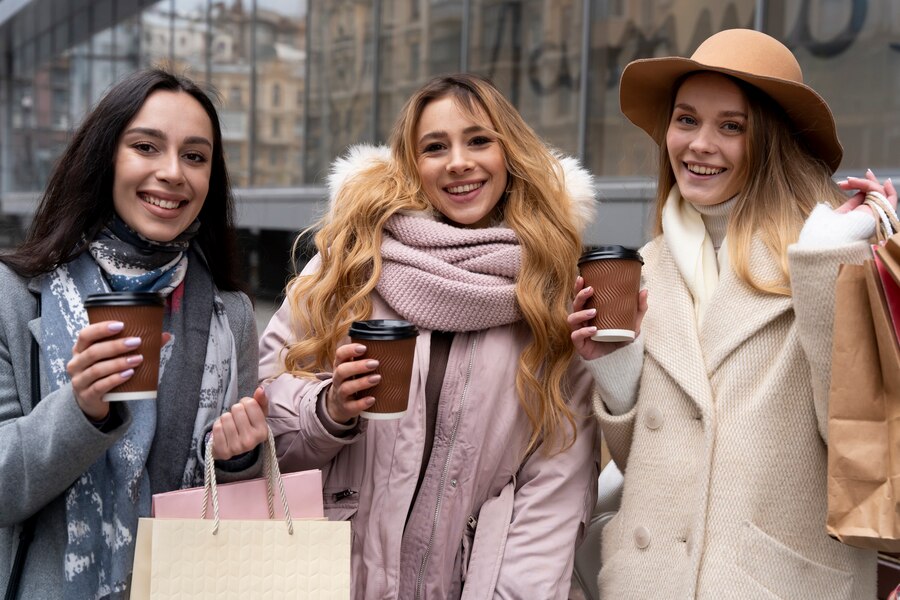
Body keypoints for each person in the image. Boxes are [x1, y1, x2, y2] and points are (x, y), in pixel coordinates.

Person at [568, 29, 896, 598]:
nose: (698, 145)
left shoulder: (827, 257)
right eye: (686, 120)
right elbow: (655, 467)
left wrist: (827, 264)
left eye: (731, 126)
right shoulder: (642, 268)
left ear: (770, 140)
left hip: (776, 581)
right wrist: (616, 371)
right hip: (649, 583)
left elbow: (855, 439)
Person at [259, 73, 599, 598]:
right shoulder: (348, 263)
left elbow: (555, 486)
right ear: (411, 165)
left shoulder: (550, 289)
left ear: (509, 155)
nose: (458, 161)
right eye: (435, 146)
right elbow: (265, 412)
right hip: (327, 577)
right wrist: (328, 411)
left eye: (479, 140)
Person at [0, 68, 269, 599]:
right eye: (146, 147)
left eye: (195, 156)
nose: (172, 173)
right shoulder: (13, 293)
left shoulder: (230, 314)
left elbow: (232, 501)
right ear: (105, 158)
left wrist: (239, 459)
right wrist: (81, 410)